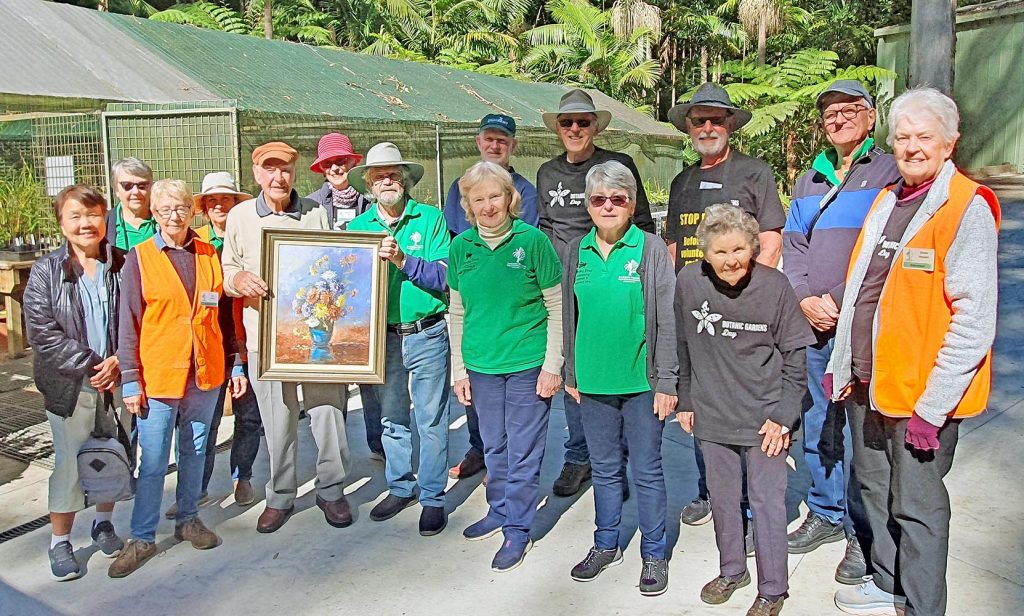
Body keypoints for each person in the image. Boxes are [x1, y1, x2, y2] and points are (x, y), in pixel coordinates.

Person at [830, 88, 999, 616]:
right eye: (903, 137)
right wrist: (843, 365)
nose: (912, 146)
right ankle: (888, 584)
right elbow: (861, 289)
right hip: (870, 384)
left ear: (950, 144)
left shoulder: (965, 206)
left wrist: (935, 405)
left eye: (924, 136)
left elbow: (974, 320)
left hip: (921, 397)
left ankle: (924, 606)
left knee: (919, 507)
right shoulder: (887, 201)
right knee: (876, 491)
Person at [782, 80, 900, 582]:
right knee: (818, 421)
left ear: (871, 118)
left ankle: (861, 530)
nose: (839, 118)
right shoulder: (811, 179)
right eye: (830, 112)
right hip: (814, 323)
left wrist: (841, 300)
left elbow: (889, 247)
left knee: (862, 432)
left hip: (864, 323)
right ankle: (825, 513)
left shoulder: (892, 170)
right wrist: (806, 298)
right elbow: (793, 246)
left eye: (850, 109)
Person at [676, 203, 816, 616]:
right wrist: (685, 399)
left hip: (765, 419)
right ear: (704, 253)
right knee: (721, 499)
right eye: (720, 252)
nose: (731, 260)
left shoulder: (774, 287)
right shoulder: (689, 282)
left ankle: (773, 589)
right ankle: (732, 569)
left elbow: (795, 359)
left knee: (768, 503)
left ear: (753, 248)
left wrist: (784, 416)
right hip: (713, 415)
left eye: (739, 249)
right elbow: (683, 344)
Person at [109, 179, 247, 578]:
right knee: (152, 462)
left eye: (181, 207)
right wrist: (131, 379)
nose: (174, 215)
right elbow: (129, 323)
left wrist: (236, 362)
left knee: (197, 451)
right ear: (154, 214)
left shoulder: (208, 254)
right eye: (165, 209)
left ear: (193, 211)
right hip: (159, 375)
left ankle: (188, 518)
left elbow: (223, 315)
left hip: (204, 373)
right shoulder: (139, 259)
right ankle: (141, 536)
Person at [665, 82, 787, 528]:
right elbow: (675, 246)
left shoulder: (754, 172)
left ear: (731, 124)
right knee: (701, 399)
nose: (708, 127)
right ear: (690, 128)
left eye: (717, 119)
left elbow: (770, 239)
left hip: (745, 309)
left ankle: (752, 505)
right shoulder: (682, 181)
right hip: (698, 313)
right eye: (700, 120)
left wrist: (758, 296)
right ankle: (709, 490)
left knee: (747, 402)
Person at [221, 142, 353, 534]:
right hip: (266, 338)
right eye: (270, 169)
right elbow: (228, 271)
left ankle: (332, 490)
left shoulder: (316, 213)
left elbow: (333, 266)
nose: (278, 177)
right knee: (278, 419)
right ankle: (280, 495)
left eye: (285, 170)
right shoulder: (240, 217)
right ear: (257, 173)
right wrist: (239, 279)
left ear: (295, 173)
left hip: (316, 336)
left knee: (328, 411)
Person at [562, 161, 677, 596]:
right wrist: (571, 371)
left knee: (646, 471)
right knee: (606, 470)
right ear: (588, 205)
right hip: (592, 384)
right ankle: (605, 544)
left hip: (642, 385)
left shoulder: (649, 250)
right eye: (598, 199)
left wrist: (667, 383)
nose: (608, 206)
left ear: (631, 204)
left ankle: (653, 553)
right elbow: (569, 316)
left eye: (618, 198)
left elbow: (666, 320)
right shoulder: (576, 252)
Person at [536, 88, 656, 498]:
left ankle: (615, 463)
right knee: (575, 367)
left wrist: (640, 271)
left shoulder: (617, 165)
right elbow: (546, 230)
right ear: (558, 129)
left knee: (620, 363)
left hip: (614, 273)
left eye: (582, 122)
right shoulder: (547, 174)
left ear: (594, 127)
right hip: (567, 280)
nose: (574, 129)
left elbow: (642, 222)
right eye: (567, 123)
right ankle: (579, 456)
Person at [448, 161, 562, 571]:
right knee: (494, 445)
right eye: (479, 199)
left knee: (524, 449)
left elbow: (556, 306)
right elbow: (457, 313)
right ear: (468, 205)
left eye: (495, 195)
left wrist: (553, 365)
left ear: (510, 198)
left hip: (528, 363)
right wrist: (459, 370)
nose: (488, 205)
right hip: (481, 366)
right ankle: (497, 509)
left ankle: (518, 527)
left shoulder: (532, 242)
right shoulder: (461, 247)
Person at [24, 185, 128, 581]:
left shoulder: (122, 264)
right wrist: (92, 365)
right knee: (69, 465)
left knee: (111, 455)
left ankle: (103, 523)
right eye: (75, 216)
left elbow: (137, 317)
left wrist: (120, 360)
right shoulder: (46, 271)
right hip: (72, 386)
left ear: (105, 219)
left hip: (116, 381)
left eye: (93, 214)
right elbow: (42, 332)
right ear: (62, 223)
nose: (85, 223)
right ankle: (60, 541)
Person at [348, 142, 453, 536]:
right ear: (370, 184)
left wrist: (403, 261)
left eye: (393, 173)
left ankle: (432, 497)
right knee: (392, 418)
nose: (387, 180)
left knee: (431, 418)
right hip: (383, 339)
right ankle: (400, 486)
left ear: (405, 179)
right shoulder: (356, 231)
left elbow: (445, 276)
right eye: (379, 175)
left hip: (426, 332)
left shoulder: (430, 220)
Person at [445, 114, 540, 481]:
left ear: (513, 145)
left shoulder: (525, 192)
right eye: (489, 138)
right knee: (476, 381)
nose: (495, 145)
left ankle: (506, 462)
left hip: (511, 297)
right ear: (478, 142)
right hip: (475, 298)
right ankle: (481, 448)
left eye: (503, 140)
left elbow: (521, 244)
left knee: (512, 395)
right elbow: (457, 236)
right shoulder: (460, 187)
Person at [161, 172, 261, 519]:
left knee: (249, 418)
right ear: (203, 208)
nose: (220, 205)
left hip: (245, 344)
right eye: (213, 200)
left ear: (236, 204)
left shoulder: (251, 239)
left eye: (227, 199)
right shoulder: (195, 244)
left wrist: (238, 359)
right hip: (206, 350)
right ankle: (195, 488)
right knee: (204, 422)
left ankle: (242, 477)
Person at [305, 133, 385, 461]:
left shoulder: (373, 202)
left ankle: (378, 444)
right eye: (330, 163)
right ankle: (334, 455)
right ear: (322, 168)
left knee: (371, 379)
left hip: (365, 300)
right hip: (325, 304)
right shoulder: (309, 206)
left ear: (353, 164)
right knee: (331, 376)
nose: (336, 167)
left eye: (342, 161)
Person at [105, 157, 157, 251]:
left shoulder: (164, 220)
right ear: (116, 189)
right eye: (127, 186)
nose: (136, 191)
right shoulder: (104, 224)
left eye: (142, 186)